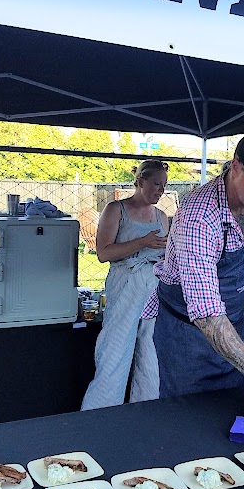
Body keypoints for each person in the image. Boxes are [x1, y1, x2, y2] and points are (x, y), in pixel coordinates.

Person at [141, 130, 244, 425]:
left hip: (235, 321)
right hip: (187, 332)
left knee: (234, 415)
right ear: (235, 165)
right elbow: (206, 313)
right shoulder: (198, 216)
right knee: (189, 422)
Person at [81, 160, 169, 410]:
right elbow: (103, 253)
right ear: (140, 181)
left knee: (150, 350)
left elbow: (164, 253)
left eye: (164, 186)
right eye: (155, 184)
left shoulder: (161, 217)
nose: (160, 190)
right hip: (125, 284)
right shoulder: (116, 209)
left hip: (153, 286)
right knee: (115, 349)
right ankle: (100, 413)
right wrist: (143, 242)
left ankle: (146, 409)